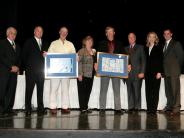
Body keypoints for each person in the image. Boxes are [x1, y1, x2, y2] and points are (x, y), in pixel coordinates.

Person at [94, 26, 124, 115]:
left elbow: (124, 55)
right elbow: (97, 55)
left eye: (112, 32)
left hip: (116, 70)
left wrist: (128, 64)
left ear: (114, 33)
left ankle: (118, 109)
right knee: (103, 90)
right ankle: (102, 109)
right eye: (108, 32)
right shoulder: (101, 43)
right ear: (106, 34)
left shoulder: (119, 43)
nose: (110, 33)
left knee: (117, 90)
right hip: (105, 70)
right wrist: (95, 63)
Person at [48, 26, 76, 114]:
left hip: (66, 71)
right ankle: (53, 107)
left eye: (66, 32)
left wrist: (76, 58)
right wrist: (46, 55)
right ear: (59, 32)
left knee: (65, 89)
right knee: (54, 89)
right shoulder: (53, 43)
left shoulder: (70, 44)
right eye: (62, 31)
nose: (64, 33)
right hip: (55, 71)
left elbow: (74, 55)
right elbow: (49, 54)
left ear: (67, 34)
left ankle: (65, 107)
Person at [22, 26, 49, 116]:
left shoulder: (45, 43)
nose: (39, 32)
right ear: (34, 32)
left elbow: (48, 57)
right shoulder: (29, 42)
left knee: (40, 91)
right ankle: (28, 108)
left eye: (41, 31)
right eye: (38, 30)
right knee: (29, 90)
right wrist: (27, 68)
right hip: (31, 71)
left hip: (41, 71)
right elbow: (24, 56)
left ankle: (40, 109)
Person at [161, 28, 184, 115]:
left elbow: (181, 57)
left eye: (168, 33)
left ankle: (176, 108)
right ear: (163, 35)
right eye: (165, 34)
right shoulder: (163, 45)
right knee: (168, 91)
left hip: (174, 71)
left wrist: (177, 69)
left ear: (171, 34)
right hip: (166, 72)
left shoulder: (176, 43)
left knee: (175, 90)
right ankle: (169, 106)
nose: (166, 35)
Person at [0, 27, 21, 116]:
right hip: (4, 72)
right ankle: (1, 110)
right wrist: (11, 66)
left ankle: (9, 109)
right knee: (2, 91)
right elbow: (1, 57)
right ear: (7, 34)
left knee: (11, 91)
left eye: (15, 33)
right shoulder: (2, 43)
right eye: (12, 33)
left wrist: (18, 67)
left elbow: (20, 59)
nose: (13, 35)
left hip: (14, 73)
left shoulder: (18, 45)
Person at [125, 32, 146, 112]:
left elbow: (143, 61)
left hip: (137, 73)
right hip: (127, 74)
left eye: (133, 37)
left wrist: (142, 72)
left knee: (137, 91)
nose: (131, 39)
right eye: (129, 37)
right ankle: (130, 107)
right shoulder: (125, 48)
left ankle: (137, 107)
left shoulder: (140, 47)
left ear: (135, 38)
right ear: (128, 39)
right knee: (129, 91)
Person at [144, 32, 163, 114]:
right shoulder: (145, 48)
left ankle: (153, 109)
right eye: (150, 37)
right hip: (147, 73)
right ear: (148, 38)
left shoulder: (159, 47)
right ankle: (149, 109)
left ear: (156, 38)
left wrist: (160, 72)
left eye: (153, 37)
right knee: (148, 91)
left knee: (155, 92)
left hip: (156, 73)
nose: (151, 38)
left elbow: (161, 60)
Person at [77, 36, 96, 114]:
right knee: (82, 92)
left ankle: (85, 106)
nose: (90, 42)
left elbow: (96, 62)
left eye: (91, 41)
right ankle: (82, 108)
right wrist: (79, 74)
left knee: (88, 91)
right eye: (88, 41)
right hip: (83, 74)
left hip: (91, 75)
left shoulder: (94, 51)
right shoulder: (81, 51)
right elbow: (79, 63)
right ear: (85, 42)